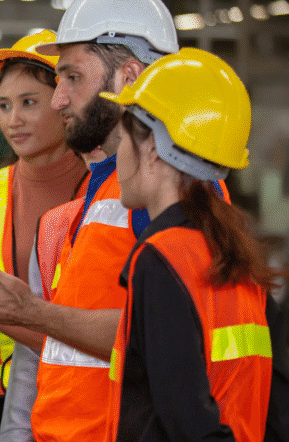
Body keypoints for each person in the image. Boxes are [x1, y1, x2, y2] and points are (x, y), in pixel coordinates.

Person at [0, 0, 230, 442]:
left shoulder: (170, 192)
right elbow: (76, 348)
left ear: (127, 76)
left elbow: (150, 341)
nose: (58, 98)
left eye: (72, 78)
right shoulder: (101, 194)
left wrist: (27, 312)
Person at [102, 47, 271, 441]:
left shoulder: (162, 259)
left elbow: (187, 422)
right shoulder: (237, 258)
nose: (117, 156)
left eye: (122, 138)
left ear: (153, 148)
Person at [0, 31, 88, 442]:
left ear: (63, 103)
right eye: (4, 106)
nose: (13, 120)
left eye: (29, 103)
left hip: (74, 402)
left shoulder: (103, 192)